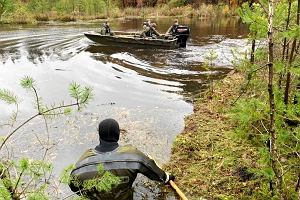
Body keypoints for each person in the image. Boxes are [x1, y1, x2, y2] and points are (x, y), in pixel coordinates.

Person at [69, 118, 175, 200]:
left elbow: (74, 186)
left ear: (99, 135)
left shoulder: (82, 163)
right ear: (118, 135)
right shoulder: (133, 156)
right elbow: (154, 173)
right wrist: (167, 177)